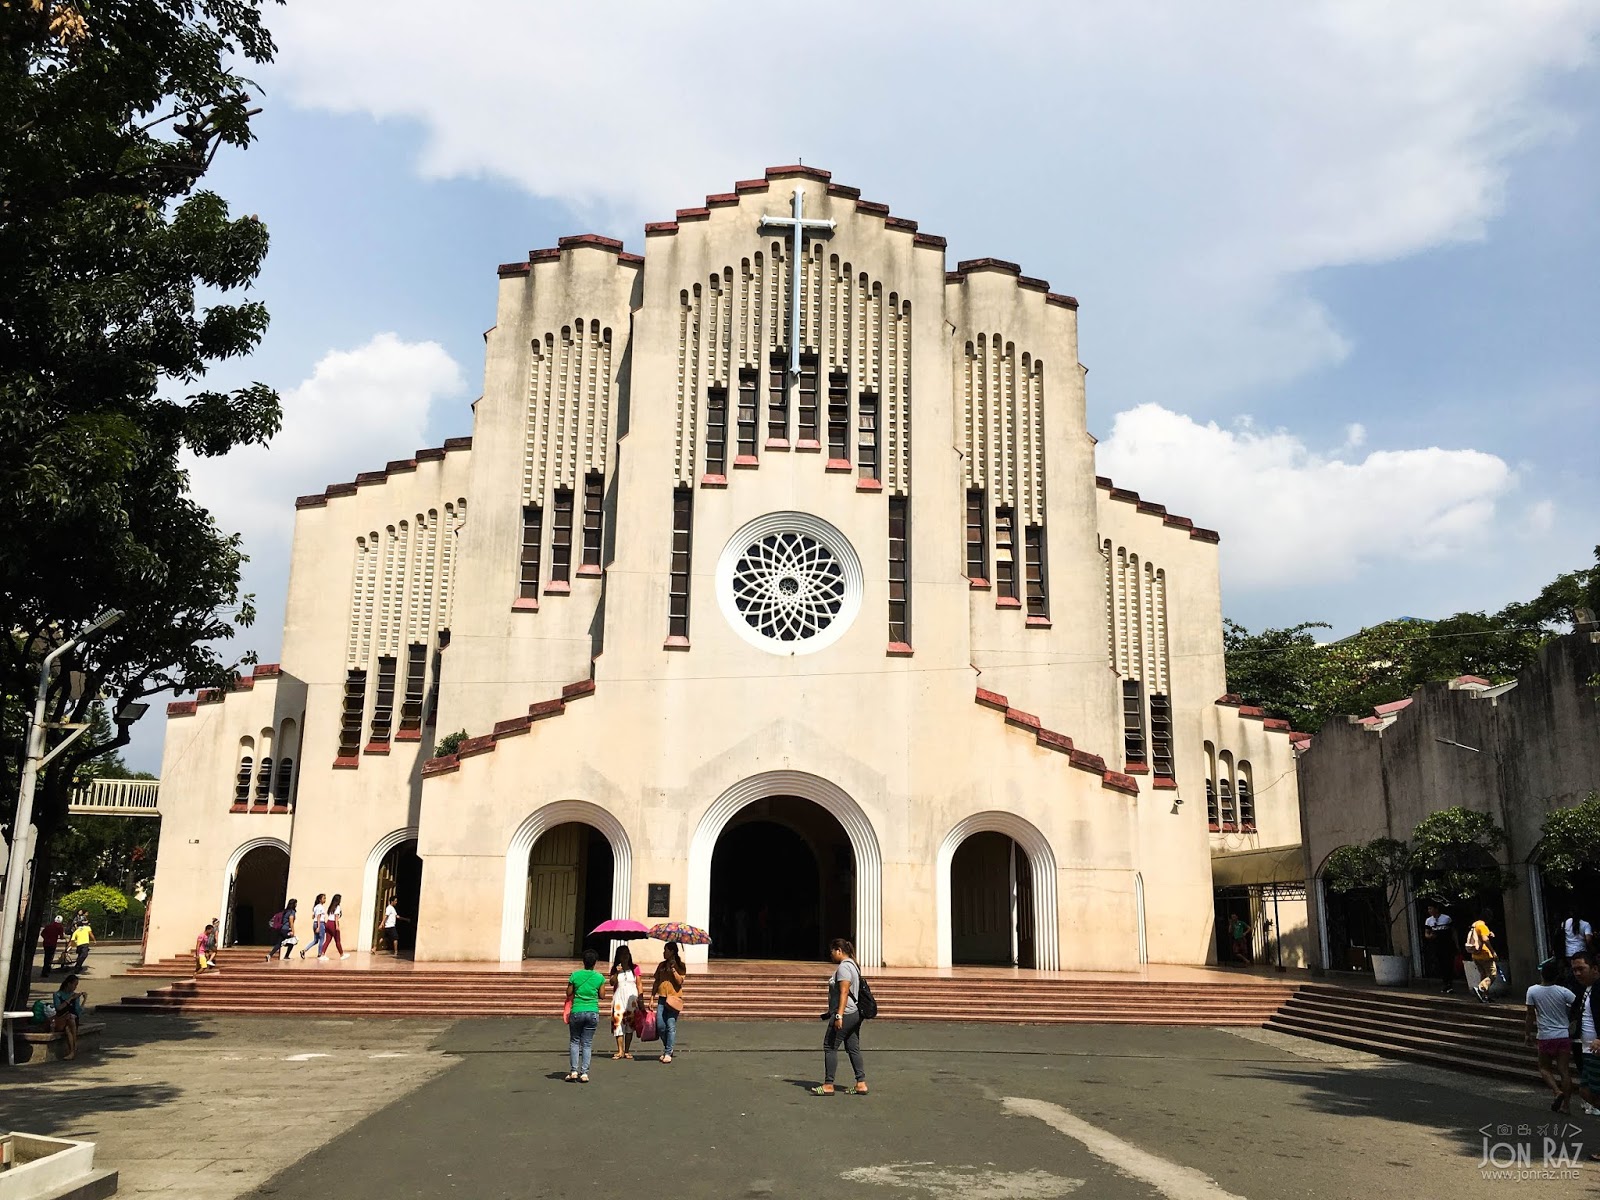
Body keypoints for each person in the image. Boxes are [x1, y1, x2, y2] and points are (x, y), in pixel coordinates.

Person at [811, 937, 867, 1096]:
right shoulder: (854, 966)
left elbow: (844, 992)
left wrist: (839, 1016)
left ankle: (829, 1084)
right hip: (855, 1013)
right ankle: (860, 1083)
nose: (831, 955)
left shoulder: (844, 968)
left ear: (839, 951)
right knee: (853, 1047)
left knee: (830, 1046)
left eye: (832, 952)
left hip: (846, 1013)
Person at [1525, 958, 1577, 1111]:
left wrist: (1527, 1033)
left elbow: (1530, 1015)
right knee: (1564, 1071)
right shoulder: (1563, 991)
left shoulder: (1532, 991)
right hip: (1562, 1034)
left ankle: (1556, 1091)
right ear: (1556, 976)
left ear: (1542, 974)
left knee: (1544, 1068)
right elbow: (1576, 1003)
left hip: (1545, 1036)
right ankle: (1566, 1106)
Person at [565, 947, 605, 1083]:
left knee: (574, 1041)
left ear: (583, 961)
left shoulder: (575, 975)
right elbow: (602, 995)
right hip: (592, 1011)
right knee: (587, 1043)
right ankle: (584, 1073)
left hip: (577, 1010)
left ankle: (574, 1071)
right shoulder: (599, 977)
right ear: (595, 962)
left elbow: (569, 993)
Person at [1570, 952, 1600, 1128]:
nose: (1578, 973)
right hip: (1587, 1049)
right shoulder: (1588, 989)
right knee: (1586, 1091)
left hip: (1595, 1049)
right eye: (1574, 970)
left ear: (1595, 969)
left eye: (1581, 969)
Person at [652, 941, 686, 1063]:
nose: (663, 952)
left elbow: (680, 981)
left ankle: (667, 1052)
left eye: (665, 950)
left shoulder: (680, 965)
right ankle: (669, 1047)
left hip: (674, 999)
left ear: (671, 952)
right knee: (660, 1026)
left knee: (670, 1025)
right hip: (661, 998)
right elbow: (656, 981)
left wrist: (673, 969)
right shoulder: (661, 965)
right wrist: (651, 997)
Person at [608, 944, 641, 1060]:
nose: (625, 956)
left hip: (631, 998)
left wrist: (641, 998)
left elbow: (639, 984)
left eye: (627, 953)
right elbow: (611, 982)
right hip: (619, 998)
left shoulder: (635, 968)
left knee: (630, 1024)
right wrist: (617, 972)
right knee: (618, 1023)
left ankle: (627, 1050)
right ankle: (620, 1050)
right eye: (622, 954)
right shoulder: (615, 968)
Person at [50, 974, 87, 1060]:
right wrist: (70, 999)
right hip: (61, 1019)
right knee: (69, 1020)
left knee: (70, 1022)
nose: (75, 987)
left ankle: (72, 1052)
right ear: (68, 984)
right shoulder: (57, 995)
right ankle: (74, 1048)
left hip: (72, 1020)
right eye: (74, 984)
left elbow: (78, 1011)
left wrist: (84, 1000)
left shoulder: (75, 996)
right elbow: (58, 1008)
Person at [1464, 908, 1497, 1003]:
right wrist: (1492, 951)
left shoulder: (1474, 925)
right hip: (1485, 954)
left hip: (1475, 955)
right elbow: (1485, 939)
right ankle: (1480, 988)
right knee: (1492, 974)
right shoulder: (1482, 926)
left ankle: (1484, 996)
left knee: (1483, 975)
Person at [1423, 902, 1457, 994]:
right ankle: (1445, 983)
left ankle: (1449, 983)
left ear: (1436, 909)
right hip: (1436, 945)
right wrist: (1430, 936)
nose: (1430, 911)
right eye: (1428, 909)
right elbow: (1426, 933)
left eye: (1431, 908)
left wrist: (1456, 944)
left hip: (1447, 944)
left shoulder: (1446, 918)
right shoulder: (1429, 921)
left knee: (1448, 963)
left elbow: (1453, 931)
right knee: (1440, 964)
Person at [318, 893, 349, 961]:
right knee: (337, 940)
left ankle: (322, 954)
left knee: (327, 940)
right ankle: (341, 954)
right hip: (333, 924)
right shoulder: (337, 907)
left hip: (328, 923)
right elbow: (336, 917)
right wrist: (337, 926)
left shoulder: (331, 907)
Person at [300, 894, 328, 959]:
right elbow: (318, 916)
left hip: (315, 923)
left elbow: (313, 916)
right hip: (320, 924)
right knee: (321, 940)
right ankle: (320, 954)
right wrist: (319, 926)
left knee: (315, 940)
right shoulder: (320, 907)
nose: (325, 900)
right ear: (320, 899)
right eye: (324, 898)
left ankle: (304, 950)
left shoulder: (315, 907)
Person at [39, 914, 64, 979]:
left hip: (46, 943)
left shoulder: (48, 926)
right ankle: (45, 971)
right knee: (50, 957)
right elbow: (61, 937)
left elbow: (42, 934)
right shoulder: (60, 927)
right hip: (52, 944)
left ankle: (47, 969)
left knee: (46, 957)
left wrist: (46, 938)